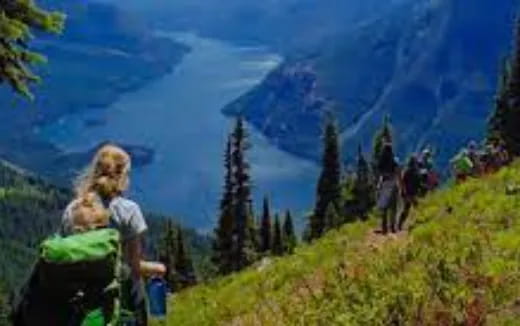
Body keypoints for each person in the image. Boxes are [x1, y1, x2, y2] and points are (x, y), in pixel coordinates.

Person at [60, 144, 166, 326]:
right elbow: (134, 267)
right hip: (122, 304)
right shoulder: (128, 210)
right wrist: (159, 269)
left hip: (82, 305)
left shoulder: (73, 210)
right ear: (122, 175)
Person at [376, 143, 401, 234]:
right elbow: (398, 173)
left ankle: (384, 228)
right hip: (393, 184)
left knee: (384, 207)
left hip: (384, 184)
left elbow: (379, 173)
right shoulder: (394, 161)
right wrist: (401, 186)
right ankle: (393, 227)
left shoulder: (381, 161)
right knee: (393, 207)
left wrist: (379, 185)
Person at [398, 156, 421, 231]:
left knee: (408, 208)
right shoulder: (408, 171)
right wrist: (404, 192)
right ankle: (400, 225)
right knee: (408, 208)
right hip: (408, 193)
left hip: (410, 193)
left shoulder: (410, 171)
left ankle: (401, 224)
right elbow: (403, 182)